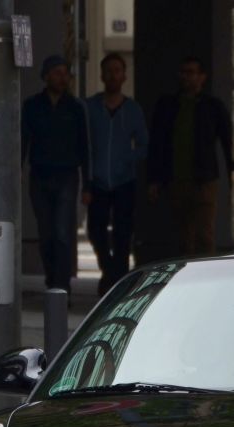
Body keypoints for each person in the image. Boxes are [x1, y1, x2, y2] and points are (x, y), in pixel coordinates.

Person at [147, 56, 233, 256]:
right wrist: (154, 179)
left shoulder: (212, 106)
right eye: (183, 72)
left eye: (191, 73)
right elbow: (157, 144)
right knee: (182, 237)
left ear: (202, 77)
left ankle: (207, 279)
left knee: (204, 234)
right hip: (176, 179)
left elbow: (229, 142)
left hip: (204, 180)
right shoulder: (168, 105)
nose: (186, 77)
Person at [22, 54, 91, 296]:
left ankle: (62, 287)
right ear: (47, 76)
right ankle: (52, 279)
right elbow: (23, 143)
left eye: (66, 73)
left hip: (67, 177)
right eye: (58, 73)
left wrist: (87, 184)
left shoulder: (75, 108)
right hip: (40, 176)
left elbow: (84, 148)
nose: (64, 78)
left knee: (63, 233)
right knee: (46, 234)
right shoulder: (32, 106)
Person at [84, 53, 149, 296]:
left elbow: (143, 144)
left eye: (117, 70)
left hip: (124, 181)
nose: (112, 75)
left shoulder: (132, 109)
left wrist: (126, 158)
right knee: (96, 230)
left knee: (123, 233)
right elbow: (84, 144)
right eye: (108, 70)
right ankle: (109, 270)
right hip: (98, 182)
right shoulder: (90, 107)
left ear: (124, 76)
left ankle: (116, 281)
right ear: (102, 75)